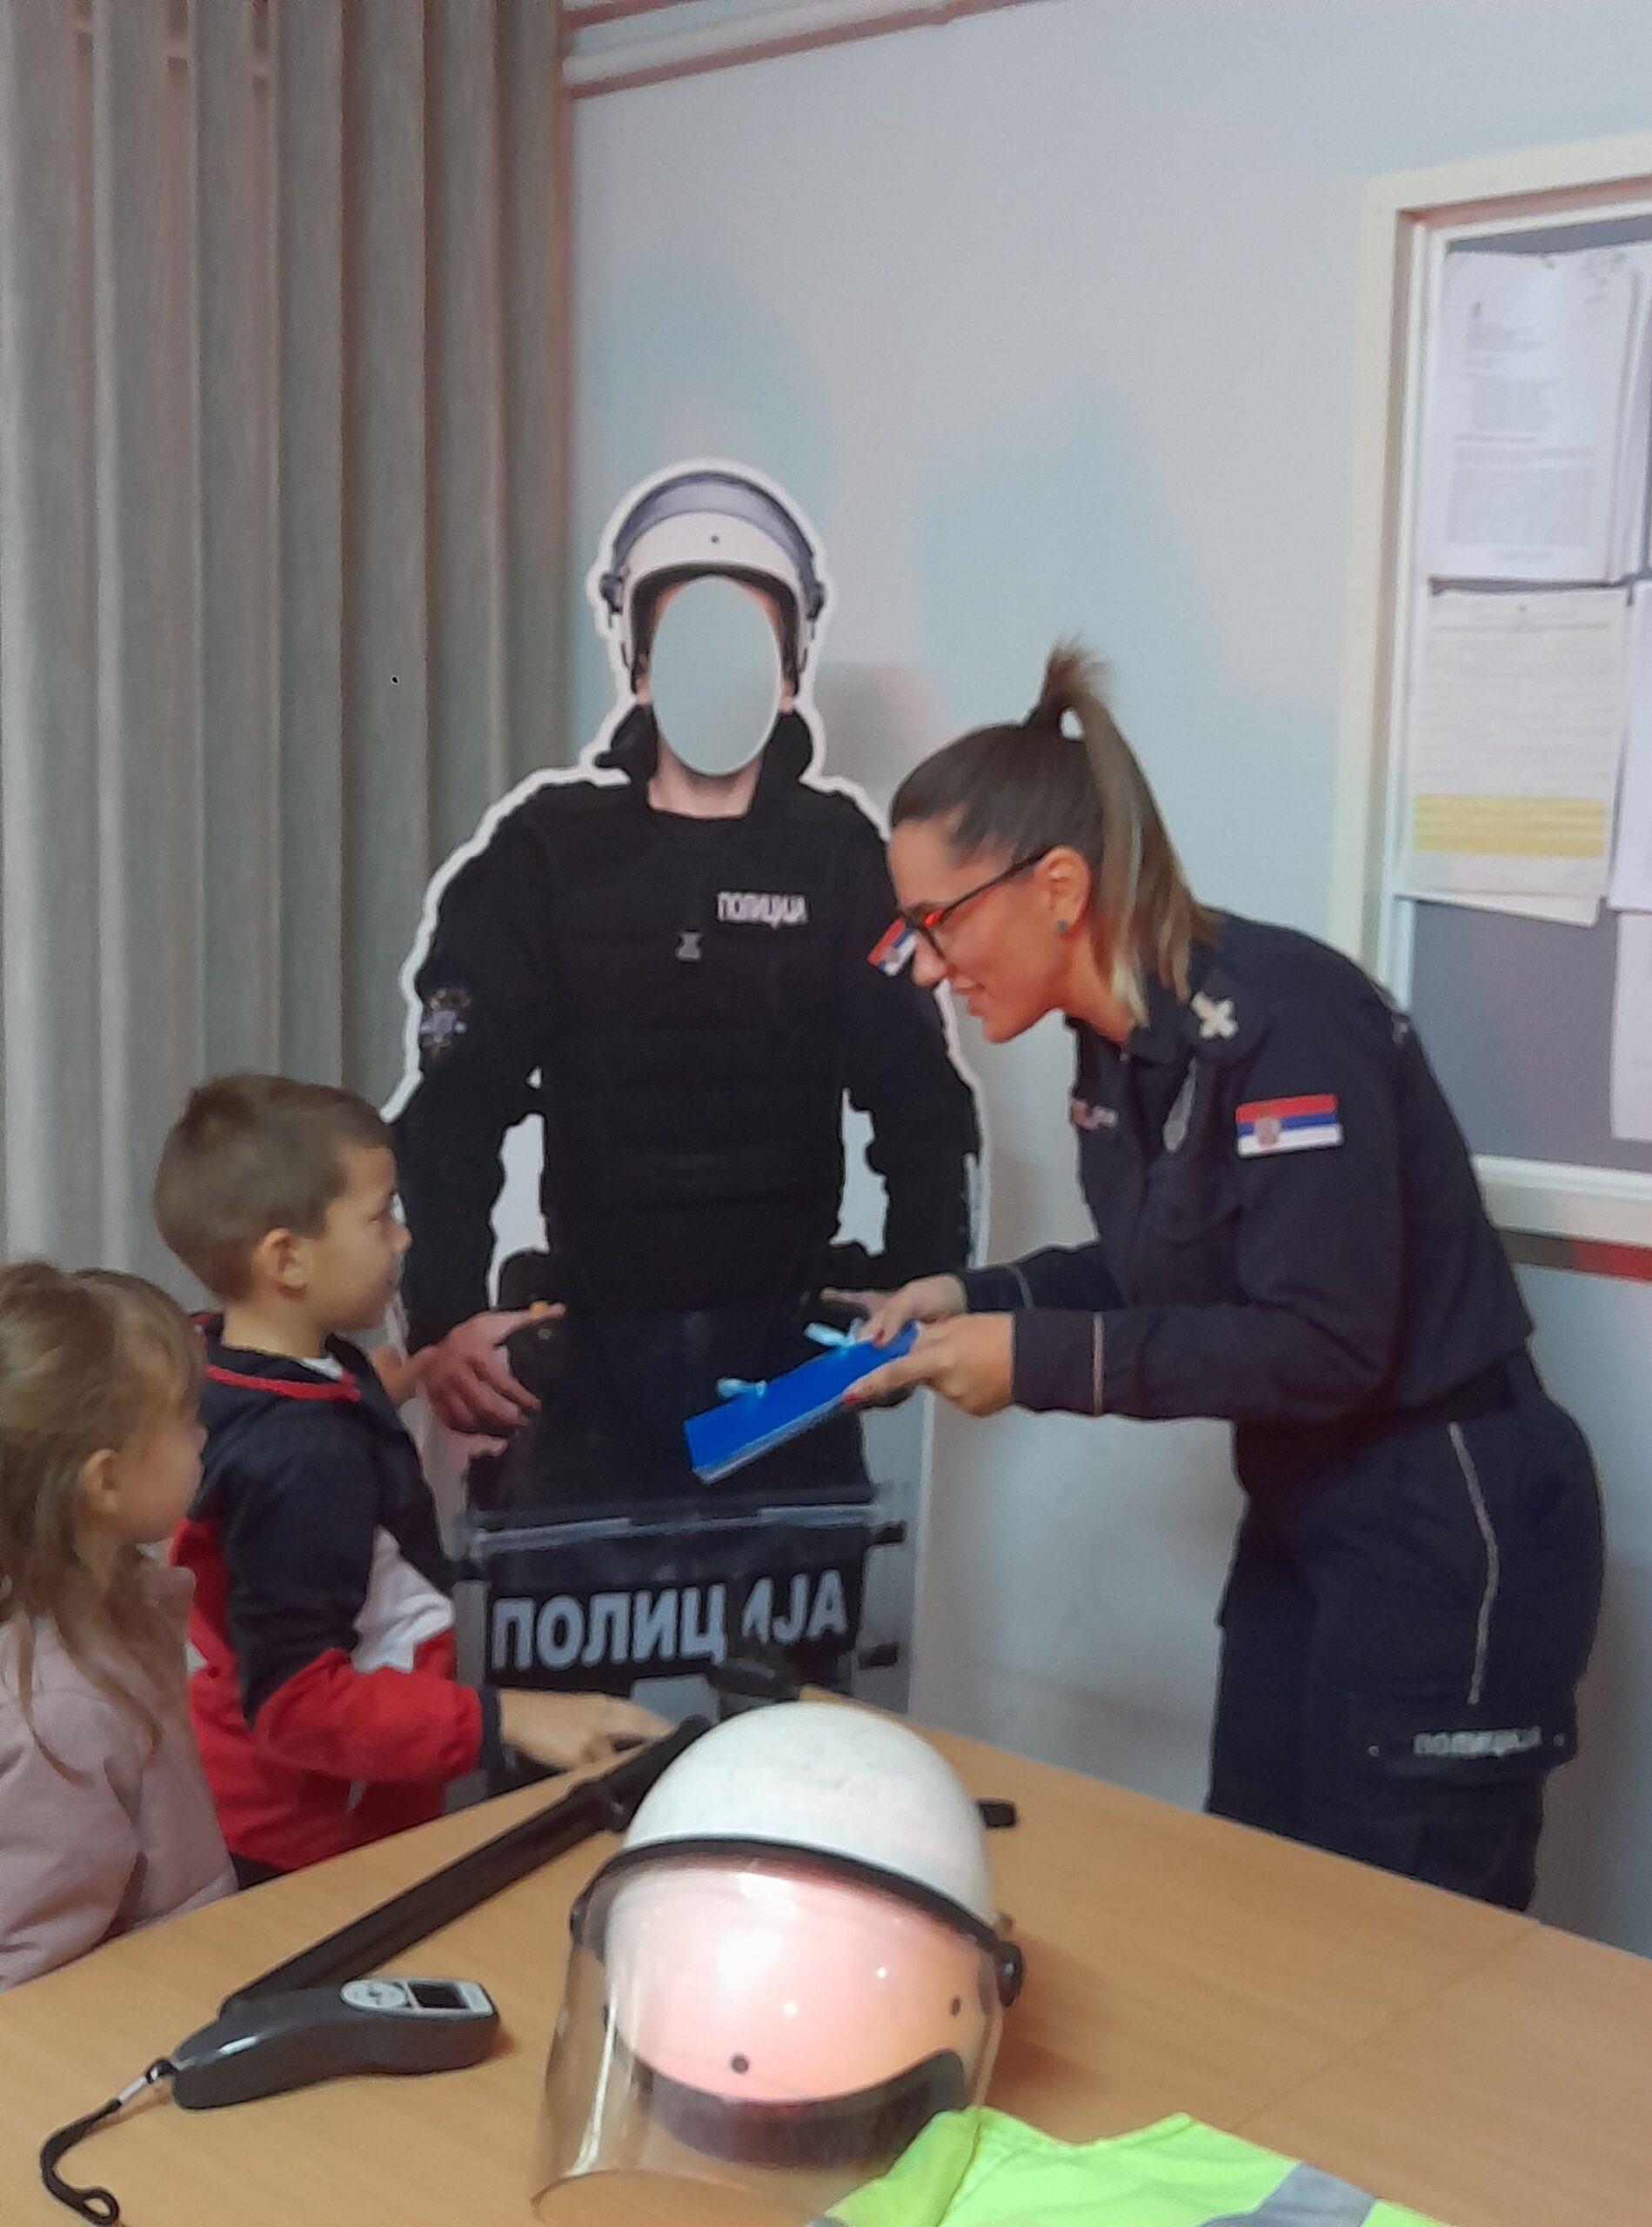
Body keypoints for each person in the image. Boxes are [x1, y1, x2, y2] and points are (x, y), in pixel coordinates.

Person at [839, 645, 1604, 1910]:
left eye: (937, 922)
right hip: (1308, 1505)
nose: (926, 965)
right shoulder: (1117, 1046)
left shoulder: (1285, 1026)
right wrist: (979, 1301)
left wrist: (1034, 1364)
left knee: (1393, 1946)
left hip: (1443, 1518)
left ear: (1059, 886)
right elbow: (1165, 1267)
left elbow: (1322, 1339)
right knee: (1257, 1898)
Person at [390, 464, 978, 1502]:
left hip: (787, 1364)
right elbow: (453, 1110)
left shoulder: (840, 856)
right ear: (641, 665)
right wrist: (444, 1322)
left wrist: (923, 1291)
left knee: (794, 1599)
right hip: (593, 1346)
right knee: (575, 1601)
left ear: (789, 671)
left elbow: (922, 1102)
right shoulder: (542, 854)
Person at [153, 1073, 665, 1883]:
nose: (401, 1239)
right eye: (380, 1217)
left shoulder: (224, 1356)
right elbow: (297, 1704)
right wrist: (509, 1716)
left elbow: (283, 1454)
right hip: (316, 1838)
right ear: (287, 1259)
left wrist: (406, 1378)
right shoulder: (306, 1457)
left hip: (259, 1798)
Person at [0, 1262, 233, 1987]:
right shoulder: (59, 1714)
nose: (203, 1435)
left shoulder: (119, 1606)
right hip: (134, 2022)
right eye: (184, 1421)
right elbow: (34, 1986)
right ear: (105, 1480)